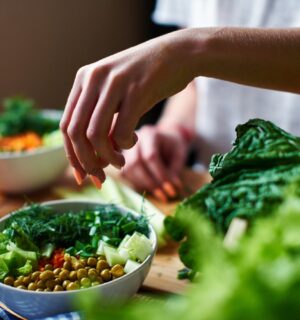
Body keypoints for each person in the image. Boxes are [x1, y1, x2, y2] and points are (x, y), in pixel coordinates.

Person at [60, 0, 300, 200]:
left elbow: (194, 60)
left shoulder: (192, 50)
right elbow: (197, 83)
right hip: (217, 189)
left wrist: (193, 50)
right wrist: (174, 129)